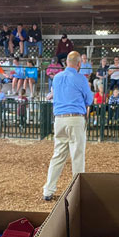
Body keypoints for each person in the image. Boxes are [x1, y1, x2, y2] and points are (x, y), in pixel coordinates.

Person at [42, 51, 92, 201]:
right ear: (79, 64)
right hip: (75, 119)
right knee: (77, 155)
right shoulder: (81, 78)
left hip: (59, 120)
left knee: (58, 155)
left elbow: (54, 94)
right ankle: (77, 191)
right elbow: (89, 99)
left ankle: (48, 190)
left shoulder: (56, 78)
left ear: (66, 63)